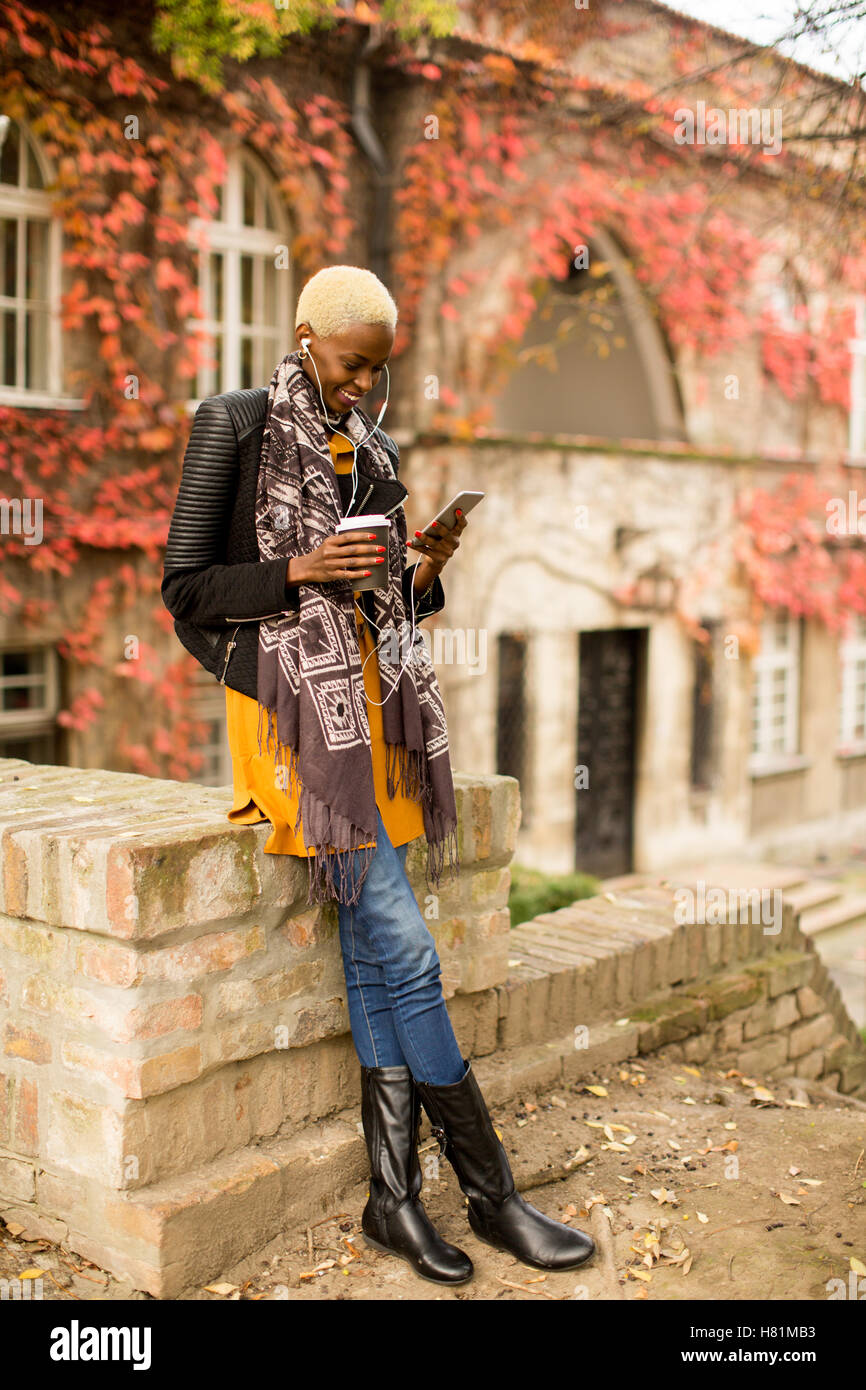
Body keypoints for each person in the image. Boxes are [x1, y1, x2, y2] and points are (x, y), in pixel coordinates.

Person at [162, 264, 595, 1286]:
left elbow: (381, 601)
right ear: (307, 336)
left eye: (379, 373)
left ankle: (392, 1200)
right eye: (354, 366)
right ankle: (492, 1195)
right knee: (405, 949)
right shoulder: (231, 424)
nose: (363, 387)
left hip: (374, 722)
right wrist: (298, 570)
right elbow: (184, 588)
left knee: (368, 953)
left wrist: (421, 572)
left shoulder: (375, 451)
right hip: (292, 724)